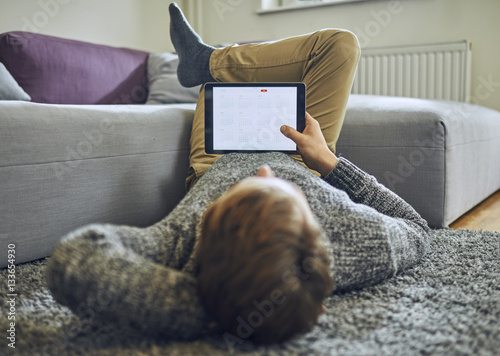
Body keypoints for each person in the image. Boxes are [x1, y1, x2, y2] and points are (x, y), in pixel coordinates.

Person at [46, 3, 430, 346]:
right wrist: (329, 164)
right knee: (340, 44)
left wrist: (221, 302)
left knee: (213, 88)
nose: (263, 169)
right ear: (315, 230)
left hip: (216, 158)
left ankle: (205, 64)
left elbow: (74, 259)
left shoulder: (180, 239)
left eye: (243, 191)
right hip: (304, 156)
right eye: (281, 190)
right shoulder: (341, 247)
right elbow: (416, 228)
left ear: (208, 221)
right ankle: (207, 60)